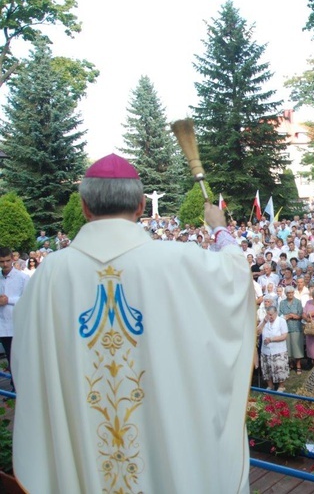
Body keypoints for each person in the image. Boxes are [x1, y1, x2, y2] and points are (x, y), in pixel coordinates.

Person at [12, 154, 255, 493]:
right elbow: (235, 273)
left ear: (84, 207)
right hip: (166, 443)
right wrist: (218, 227)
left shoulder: (50, 275)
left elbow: (25, 360)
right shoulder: (178, 260)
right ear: (142, 206)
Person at [0, 247, 29, 388]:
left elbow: (29, 299)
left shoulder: (23, 277)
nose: (5, 264)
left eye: (7, 261)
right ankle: (15, 385)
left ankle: (20, 386)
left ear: (12, 259)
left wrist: (9, 300)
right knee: (10, 357)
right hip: (2, 326)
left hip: (17, 324)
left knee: (19, 358)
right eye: (1, 262)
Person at [260, 305, 289, 392]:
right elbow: (257, 332)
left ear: (276, 313)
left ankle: (281, 386)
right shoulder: (265, 321)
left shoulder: (281, 321)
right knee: (266, 368)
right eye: (268, 314)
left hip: (278, 349)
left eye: (271, 314)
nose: (270, 316)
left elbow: (284, 336)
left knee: (279, 368)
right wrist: (264, 322)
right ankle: (270, 385)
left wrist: (271, 339)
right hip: (265, 350)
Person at [279, 286, 305, 374]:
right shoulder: (282, 303)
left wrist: (294, 316)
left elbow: (301, 314)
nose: (290, 294)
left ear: (294, 293)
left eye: (291, 293)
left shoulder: (298, 302)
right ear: (286, 294)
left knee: (297, 346)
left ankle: (298, 365)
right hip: (285, 327)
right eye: (288, 293)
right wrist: (287, 316)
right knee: (287, 347)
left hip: (296, 326)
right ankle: (290, 363)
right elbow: (280, 314)